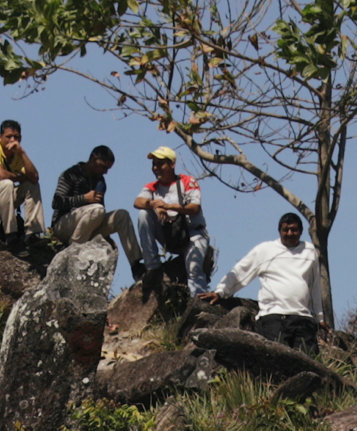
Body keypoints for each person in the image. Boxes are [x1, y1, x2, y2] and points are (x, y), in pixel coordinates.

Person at [218, 211, 328, 348]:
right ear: (279, 231)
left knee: (306, 361)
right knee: (276, 360)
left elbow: (315, 287)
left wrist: (319, 318)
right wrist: (221, 292)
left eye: (293, 230)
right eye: (285, 230)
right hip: (273, 317)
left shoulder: (310, 252)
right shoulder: (266, 250)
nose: (289, 233)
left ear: (300, 232)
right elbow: (241, 271)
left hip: (302, 318)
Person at [132, 145, 210, 290]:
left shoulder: (187, 181)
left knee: (194, 270)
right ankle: (153, 267)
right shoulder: (152, 187)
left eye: (160, 164)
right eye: (154, 164)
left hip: (193, 234)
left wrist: (169, 207)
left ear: (172, 164)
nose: (156, 168)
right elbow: (137, 202)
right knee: (143, 214)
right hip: (169, 236)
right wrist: (154, 204)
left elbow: (195, 208)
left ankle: (199, 302)